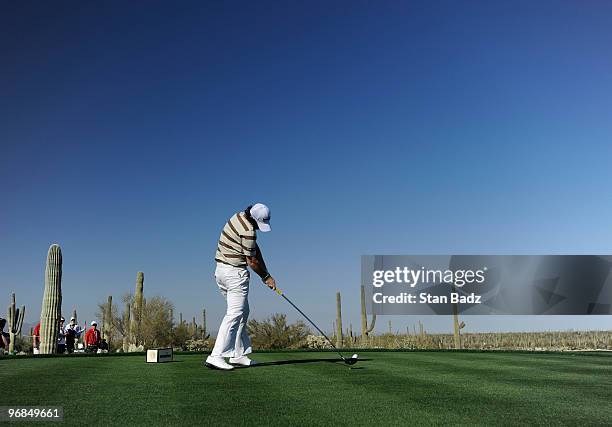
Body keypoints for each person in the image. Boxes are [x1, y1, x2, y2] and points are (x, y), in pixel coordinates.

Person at [205, 203, 276, 370]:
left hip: (221, 272)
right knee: (235, 314)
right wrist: (266, 276)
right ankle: (216, 356)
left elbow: (255, 251)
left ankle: (238, 354)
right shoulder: (249, 232)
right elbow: (252, 261)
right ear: (253, 219)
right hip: (234, 275)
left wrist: (267, 274)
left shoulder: (237, 217)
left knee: (243, 311)